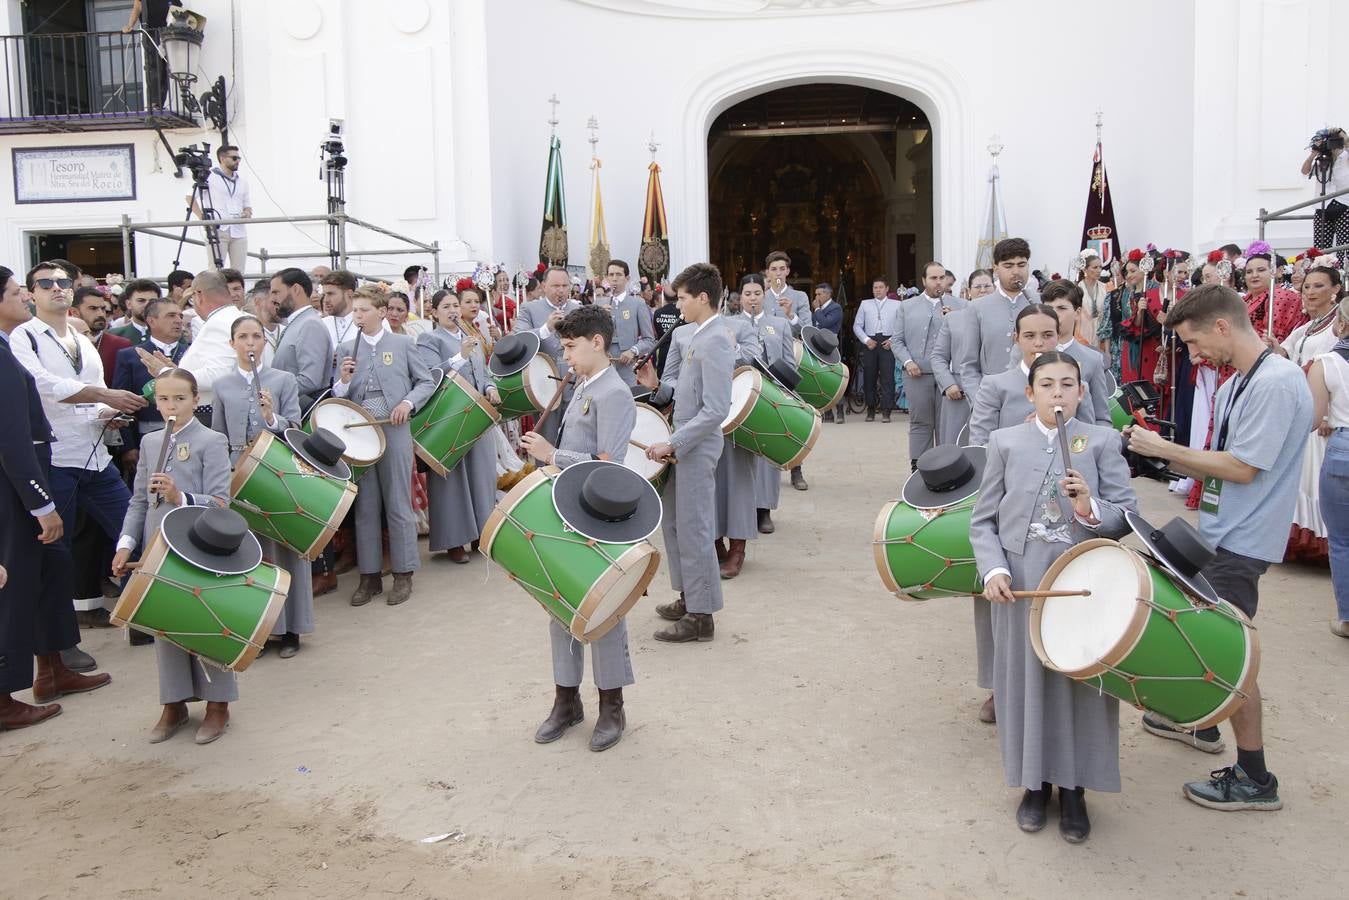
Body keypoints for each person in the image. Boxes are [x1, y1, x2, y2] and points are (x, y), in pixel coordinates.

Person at [1126, 283, 1312, 811]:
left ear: (1223, 326)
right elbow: (1216, 460)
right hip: (1219, 530)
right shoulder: (1239, 382)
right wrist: (1159, 454)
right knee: (1198, 632)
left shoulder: (1276, 382)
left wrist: (1165, 449)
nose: (1191, 355)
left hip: (1242, 540)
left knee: (1232, 656)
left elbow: (1242, 468)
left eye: (1192, 342)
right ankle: (1201, 727)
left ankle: (1255, 778)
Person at [971, 350, 1138, 843]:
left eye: (1069, 384)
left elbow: (1126, 513)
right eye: (1047, 385)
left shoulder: (1102, 441)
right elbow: (983, 520)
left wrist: (1090, 507)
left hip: (1081, 586)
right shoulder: (1005, 442)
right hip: (1021, 586)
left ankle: (1076, 789)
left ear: (1083, 392)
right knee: (1024, 684)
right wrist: (994, 569)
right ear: (1031, 392)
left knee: (1078, 684)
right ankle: (1035, 785)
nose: (1058, 393)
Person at [518, 306, 637, 751]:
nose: (565, 356)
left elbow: (612, 466)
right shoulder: (584, 384)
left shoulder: (615, 393)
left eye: (570, 347)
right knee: (559, 603)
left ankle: (612, 705)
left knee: (604, 612)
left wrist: (553, 455)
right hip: (566, 511)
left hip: (599, 517)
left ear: (597, 343)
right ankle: (566, 701)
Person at [0, 265, 111, 730]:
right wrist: (40, 503)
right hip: (19, 488)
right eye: (15, 291)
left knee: (50, 572)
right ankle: (4, 696)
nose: (24, 296)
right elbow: (11, 437)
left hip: (39, 472)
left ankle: (52, 669)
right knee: (16, 586)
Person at [11, 262, 142, 639]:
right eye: (46, 283)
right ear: (32, 293)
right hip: (55, 460)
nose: (57, 288)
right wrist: (103, 396)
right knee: (56, 552)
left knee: (132, 532)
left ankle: (144, 618)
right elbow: (42, 385)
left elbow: (94, 394)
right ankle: (59, 647)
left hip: (96, 457)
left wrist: (111, 412)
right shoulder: (25, 337)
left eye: (63, 282)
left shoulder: (82, 340)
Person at [111, 368, 237, 744]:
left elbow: (221, 502)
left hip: (197, 543)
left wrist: (179, 497)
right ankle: (174, 703)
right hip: (157, 543)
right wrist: (125, 544)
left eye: (180, 398)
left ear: (196, 400)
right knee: (163, 621)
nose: (171, 406)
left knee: (205, 621)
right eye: (164, 399)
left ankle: (218, 704)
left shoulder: (212, 440)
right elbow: (137, 501)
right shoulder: (150, 442)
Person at [638, 263, 732, 643]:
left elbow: (716, 410)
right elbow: (691, 396)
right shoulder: (698, 335)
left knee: (694, 528)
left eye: (683, 299)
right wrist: (657, 384)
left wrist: (673, 442)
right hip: (685, 442)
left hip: (696, 445)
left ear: (703, 298)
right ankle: (689, 595)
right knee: (675, 524)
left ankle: (701, 615)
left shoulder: (717, 339)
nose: (678, 307)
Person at [210, 316, 311, 658]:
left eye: (256, 337)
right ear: (232, 343)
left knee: (286, 545)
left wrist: (271, 418)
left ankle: (293, 627)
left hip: (276, 468)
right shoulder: (221, 385)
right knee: (254, 549)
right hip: (239, 469)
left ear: (265, 343)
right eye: (243, 337)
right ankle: (262, 628)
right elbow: (218, 435)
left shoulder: (283, 380)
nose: (250, 343)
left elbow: (296, 426)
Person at [333, 288, 436, 607]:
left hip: (394, 429)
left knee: (397, 500)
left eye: (364, 310)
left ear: (380, 312)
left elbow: (426, 382)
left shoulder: (403, 344)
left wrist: (407, 402)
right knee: (365, 505)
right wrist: (344, 380)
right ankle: (370, 576)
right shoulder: (347, 348)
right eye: (355, 311)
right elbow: (339, 396)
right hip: (362, 433)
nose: (358, 316)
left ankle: (404, 572)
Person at [416, 288, 500, 563]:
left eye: (455, 305)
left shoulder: (469, 336)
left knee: (481, 475)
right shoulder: (429, 339)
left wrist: (490, 387)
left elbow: (483, 371)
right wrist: (460, 356)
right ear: (435, 312)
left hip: (478, 414)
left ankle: (481, 534)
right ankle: (453, 541)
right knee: (452, 480)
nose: (453, 311)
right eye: (446, 306)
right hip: (449, 417)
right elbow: (431, 375)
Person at [1270, 265, 1343, 563]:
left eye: (1318, 286)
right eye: (1307, 287)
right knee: (1303, 475)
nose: (1310, 292)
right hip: (1303, 409)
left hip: (1326, 414)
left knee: (1318, 477)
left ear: (1336, 289)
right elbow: (1284, 356)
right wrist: (1273, 347)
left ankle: (1328, 543)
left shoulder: (1339, 325)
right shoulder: (1305, 327)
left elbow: (1338, 370)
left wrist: (1326, 415)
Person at [934, 239, 1036, 427]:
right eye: (1008, 265)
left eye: (1021, 265)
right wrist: (981, 402)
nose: (1016, 271)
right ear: (996, 269)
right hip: (992, 404)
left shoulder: (1040, 303)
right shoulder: (978, 308)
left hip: (1035, 404)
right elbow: (968, 364)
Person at [894, 261, 968, 469]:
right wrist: (908, 362)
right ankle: (919, 467)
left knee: (948, 424)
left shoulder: (962, 306)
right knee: (921, 421)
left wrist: (953, 319)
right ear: (924, 281)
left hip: (950, 376)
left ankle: (946, 466)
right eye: (934, 278)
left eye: (942, 278)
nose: (938, 282)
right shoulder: (907, 306)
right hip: (918, 373)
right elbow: (897, 340)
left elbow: (969, 339)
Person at [739, 276, 794, 532]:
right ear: (739, 297)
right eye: (747, 293)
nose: (752, 298)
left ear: (765, 295)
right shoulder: (730, 324)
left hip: (769, 397)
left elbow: (788, 363)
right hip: (740, 396)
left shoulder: (779, 324)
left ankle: (764, 510)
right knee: (740, 455)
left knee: (767, 454)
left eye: (757, 293)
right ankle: (742, 508)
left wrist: (786, 395)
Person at [968, 305, 1069, 446]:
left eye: (1047, 335)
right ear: (1017, 338)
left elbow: (1090, 439)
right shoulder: (995, 386)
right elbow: (980, 444)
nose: (1039, 343)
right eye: (1029, 336)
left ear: (1058, 337)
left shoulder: (1076, 386)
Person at [112, 299, 186, 482]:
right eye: (171, 315)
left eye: (180, 316)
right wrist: (128, 447)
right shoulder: (131, 355)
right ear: (151, 321)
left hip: (187, 438)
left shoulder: (191, 353)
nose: (178, 320)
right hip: (147, 437)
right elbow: (121, 403)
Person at [1312, 295, 1349, 635]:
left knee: (1342, 540)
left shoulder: (1328, 362)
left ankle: (1348, 617)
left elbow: (1311, 418)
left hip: (1343, 447)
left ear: (1341, 324)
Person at [514, 267, 581, 442]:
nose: (561, 290)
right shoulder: (529, 309)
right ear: (544, 286)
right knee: (545, 438)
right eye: (555, 285)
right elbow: (519, 339)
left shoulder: (579, 309)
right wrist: (546, 328)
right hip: (543, 381)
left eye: (565, 285)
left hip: (575, 383)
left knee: (573, 439)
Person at [932, 270, 994, 446]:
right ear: (968, 290)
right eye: (978, 286)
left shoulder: (1005, 319)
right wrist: (948, 383)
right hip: (959, 392)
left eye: (987, 286)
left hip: (992, 391)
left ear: (995, 288)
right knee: (955, 449)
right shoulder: (953, 318)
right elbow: (938, 357)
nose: (982, 290)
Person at [1040, 281, 1112, 427]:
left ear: (1077, 313)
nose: (1054, 314)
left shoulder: (1092, 359)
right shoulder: (1029, 353)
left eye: (1061, 308)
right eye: (1048, 308)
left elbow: (1102, 417)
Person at [270, 268, 334, 412]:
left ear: (296, 289)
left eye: (276, 292)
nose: (272, 299)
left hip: (301, 414)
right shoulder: (298, 322)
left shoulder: (309, 324)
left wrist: (272, 391)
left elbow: (310, 380)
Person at [196, 145, 253, 271]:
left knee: (239, 270)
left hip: (238, 230)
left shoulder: (242, 182)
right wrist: (201, 216)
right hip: (218, 228)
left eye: (239, 158)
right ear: (222, 158)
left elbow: (247, 204)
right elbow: (190, 196)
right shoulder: (209, 177)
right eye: (234, 158)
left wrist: (247, 212)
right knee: (215, 270)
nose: (237, 161)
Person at [853, 277, 901, 422]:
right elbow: (857, 325)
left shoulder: (897, 304)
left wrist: (892, 340)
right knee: (869, 377)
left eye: (880, 287)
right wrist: (866, 340)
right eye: (875, 288)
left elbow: (901, 325)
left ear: (887, 289)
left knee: (888, 378)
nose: (878, 290)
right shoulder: (865, 304)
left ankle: (886, 410)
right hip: (871, 342)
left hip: (888, 341)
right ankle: (871, 409)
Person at [602, 260, 656, 387]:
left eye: (619, 275)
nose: (614, 279)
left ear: (627, 278)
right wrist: (599, 317)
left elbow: (649, 340)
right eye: (611, 275)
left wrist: (633, 351)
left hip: (626, 367)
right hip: (602, 365)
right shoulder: (598, 304)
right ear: (606, 278)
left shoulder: (638, 304)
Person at [1300, 127, 1349, 266]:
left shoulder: (1345, 156)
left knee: (1344, 248)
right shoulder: (1322, 159)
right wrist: (1313, 154)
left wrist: (1343, 138)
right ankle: (1321, 272)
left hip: (1344, 205)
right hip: (1322, 207)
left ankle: (1343, 276)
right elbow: (1304, 171)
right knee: (1320, 250)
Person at [1240, 242, 1306, 344]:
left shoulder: (1281, 296)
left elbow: (1272, 336)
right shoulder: (1243, 300)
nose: (1254, 275)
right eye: (1249, 272)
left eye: (1261, 270)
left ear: (1274, 272)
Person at [72, 287, 132, 384]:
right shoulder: (61, 344)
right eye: (93, 309)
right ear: (75, 312)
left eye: (103, 309)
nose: (101, 314)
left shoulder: (120, 345)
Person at [812, 282, 845, 424]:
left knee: (835, 379)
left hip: (831, 348)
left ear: (828, 294)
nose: (816, 297)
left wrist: (817, 310)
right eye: (816, 294)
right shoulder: (817, 309)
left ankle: (840, 411)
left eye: (819, 294)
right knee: (822, 379)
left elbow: (825, 323)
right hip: (817, 347)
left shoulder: (835, 308)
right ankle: (828, 412)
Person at [764, 250, 811, 335]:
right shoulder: (761, 297)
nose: (778, 273)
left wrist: (790, 315)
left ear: (787, 271)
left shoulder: (800, 296)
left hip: (790, 346)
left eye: (782, 269)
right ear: (767, 272)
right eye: (774, 269)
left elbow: (807, 330)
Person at [1074, 251, 1108, 346]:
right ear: (1085, 269)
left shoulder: (1106, 288)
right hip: (1082, 333)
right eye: (1095, 267)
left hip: (1101, 334)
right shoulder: (1077, 289)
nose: (1099, 270)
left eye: (1100, 267)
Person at [651, 286, 681, 377]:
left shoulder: (658, 312)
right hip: (678, 351)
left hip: (663, 351)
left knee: (662, 377)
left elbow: (654, 333)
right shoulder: (681, 312)